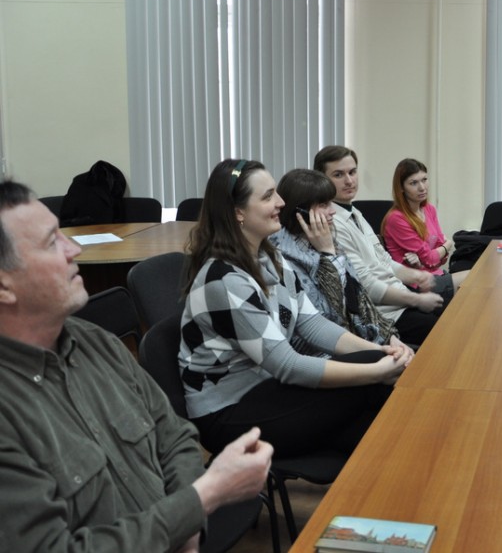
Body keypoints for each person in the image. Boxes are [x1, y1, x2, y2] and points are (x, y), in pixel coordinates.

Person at [0, 180, 272, 553]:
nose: (74, 249)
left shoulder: (96, 342)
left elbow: (175, 437)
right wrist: (202, 499)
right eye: (52, 243)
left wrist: (189, 524)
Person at [179, 159, 414, 459]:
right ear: (238, 212)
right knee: (374, 388)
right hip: (229, 413)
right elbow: (287, 365)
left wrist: (381, 351)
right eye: (268, 196)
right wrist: (376, 371)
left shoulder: (270, 257)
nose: (280, 202)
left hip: (266, 388)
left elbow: (313, 325)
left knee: (375, 426)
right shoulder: (224, 280)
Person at [270, 168, 433, 346]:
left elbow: (360, 299)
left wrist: (390, 338)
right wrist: (328, 254)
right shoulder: (286, 256)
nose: (332, 211)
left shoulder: (327, 239)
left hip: (363, 336)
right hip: (330, 348)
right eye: (324, 205)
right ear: (300, 212)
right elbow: (333, 313)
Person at [314, 146, 447, 335]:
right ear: (322, 179)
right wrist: (416, 300)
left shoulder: (355, 212)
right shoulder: (330, 223)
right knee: (448, 331)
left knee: (456, 313)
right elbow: (365, 284)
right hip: (383, 314)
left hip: (399, 296)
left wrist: (416, 276)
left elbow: (384, 261)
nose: (349, 181)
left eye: (352, 172)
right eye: (338, 175)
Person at [381, 158, 469, 297]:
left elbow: (439, 260)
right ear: (401, 188)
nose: (422, 187)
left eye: (424, 180)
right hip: (416, 285)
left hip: (436, 275)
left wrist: (433, 256)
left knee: (478, 280)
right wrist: (447, 245)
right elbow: (431, 258)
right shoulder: (396, 218)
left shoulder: (429, 209)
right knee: (475, 279)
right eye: (414, 183)